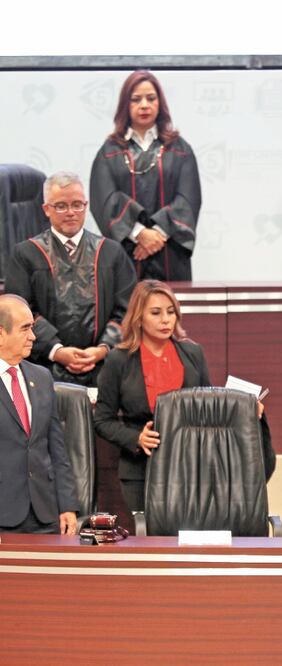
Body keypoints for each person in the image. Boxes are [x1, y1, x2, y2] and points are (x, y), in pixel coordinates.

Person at [94, 280, 275, 513]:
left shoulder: (192, 353)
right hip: (142, 470)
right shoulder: (118, 360)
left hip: (193, 469)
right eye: (156, 313)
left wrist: (246, 410)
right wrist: (136, 437)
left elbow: (209, 408)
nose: (166, 320)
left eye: (171, 312)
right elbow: (102, 420)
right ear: (139, 318)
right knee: (154, 542)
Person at [4, 172, 136, 387]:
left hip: (105, 367)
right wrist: (57, 351)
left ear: (86, 205)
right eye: (61, 206)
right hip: (43, 368)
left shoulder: (111, 252)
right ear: (46, 209)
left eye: (77, 205)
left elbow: (129, 309)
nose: (71, 213)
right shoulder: (26, 254)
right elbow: (19, 313)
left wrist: (103, 349)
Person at [90, 70, 201, 282]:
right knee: (126, 311)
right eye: (136, 99)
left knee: (167, 312)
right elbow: (104, 201)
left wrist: (158, 234)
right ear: (125, 104)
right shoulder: (109, 151)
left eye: (151, 98)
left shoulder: (179, 149)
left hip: (170, 252)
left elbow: (188, 199)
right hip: (127, 252)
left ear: (160, 103)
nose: (144, 105)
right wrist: (140, 233)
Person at [0, 295, 78, 534]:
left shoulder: (42, 377)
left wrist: (67, 505)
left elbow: (56, 448)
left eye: (32, 328)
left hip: (45, 515)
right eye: (25, 329)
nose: (33, 337)